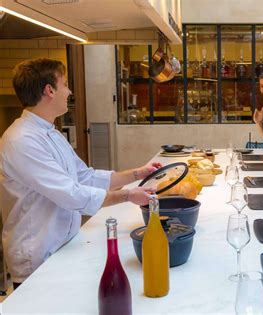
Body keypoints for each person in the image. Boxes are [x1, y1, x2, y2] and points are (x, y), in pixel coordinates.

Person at [0, 58, 160, 287]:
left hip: (64, 246)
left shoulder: (50, 133)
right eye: (65, 84)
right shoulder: (21, 141)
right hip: (37, 258)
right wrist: (127, 195)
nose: (69, 90)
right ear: (49, 90)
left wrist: (137, 173)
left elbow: (85, 176)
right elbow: (72, 194)